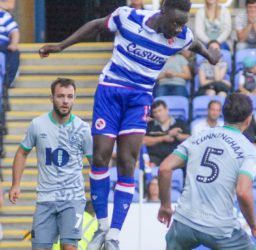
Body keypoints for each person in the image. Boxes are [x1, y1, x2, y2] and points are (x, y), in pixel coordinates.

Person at [39, 0, 220, 249]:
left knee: (127, 161)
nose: (178, 29)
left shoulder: (181, 36)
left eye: (183, 23)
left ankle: (113, 234)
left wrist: (211, 55)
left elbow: (196, 44)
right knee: (101, 157)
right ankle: (101, 227)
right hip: (111, 90)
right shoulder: (128, 18)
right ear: (163, 11)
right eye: (175, 22)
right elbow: (95, 26)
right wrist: (61, 45)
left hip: (140, 98)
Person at [157, 93, 256, 250]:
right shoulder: (248, 150)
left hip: (184, 221)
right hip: (220, 227)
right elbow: (243, 192)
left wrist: (165, 205)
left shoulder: (199, 136)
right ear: (249, 119)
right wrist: (255, 228)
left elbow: (164, 168)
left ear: (223, 113)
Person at [8, 78, 92, 250]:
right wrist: (16, 184)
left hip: (72, 198)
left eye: (70, 96)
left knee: (69, 247)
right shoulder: (37, 125)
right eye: (61, 96)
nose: (65, 101)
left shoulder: (82, 128)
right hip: (45, 198)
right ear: (51, 98)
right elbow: (22, 152)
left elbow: (96, 162)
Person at [143, 100, 190, 166]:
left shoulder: (180, 123)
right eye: (155, 112)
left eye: (160, 110)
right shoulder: (149, 125)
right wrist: (164, 138)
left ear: (167, 109)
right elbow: (143, 141)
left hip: (175, 156)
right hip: (154, 157)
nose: (158, 114)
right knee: (148, 167)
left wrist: (178, 135)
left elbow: (190, 138)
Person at [0, 5, 20, 87]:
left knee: (14, 53)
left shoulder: (4, 15)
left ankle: (6, 83)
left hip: (2, 45)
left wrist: (14, 44)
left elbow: (14, 31)